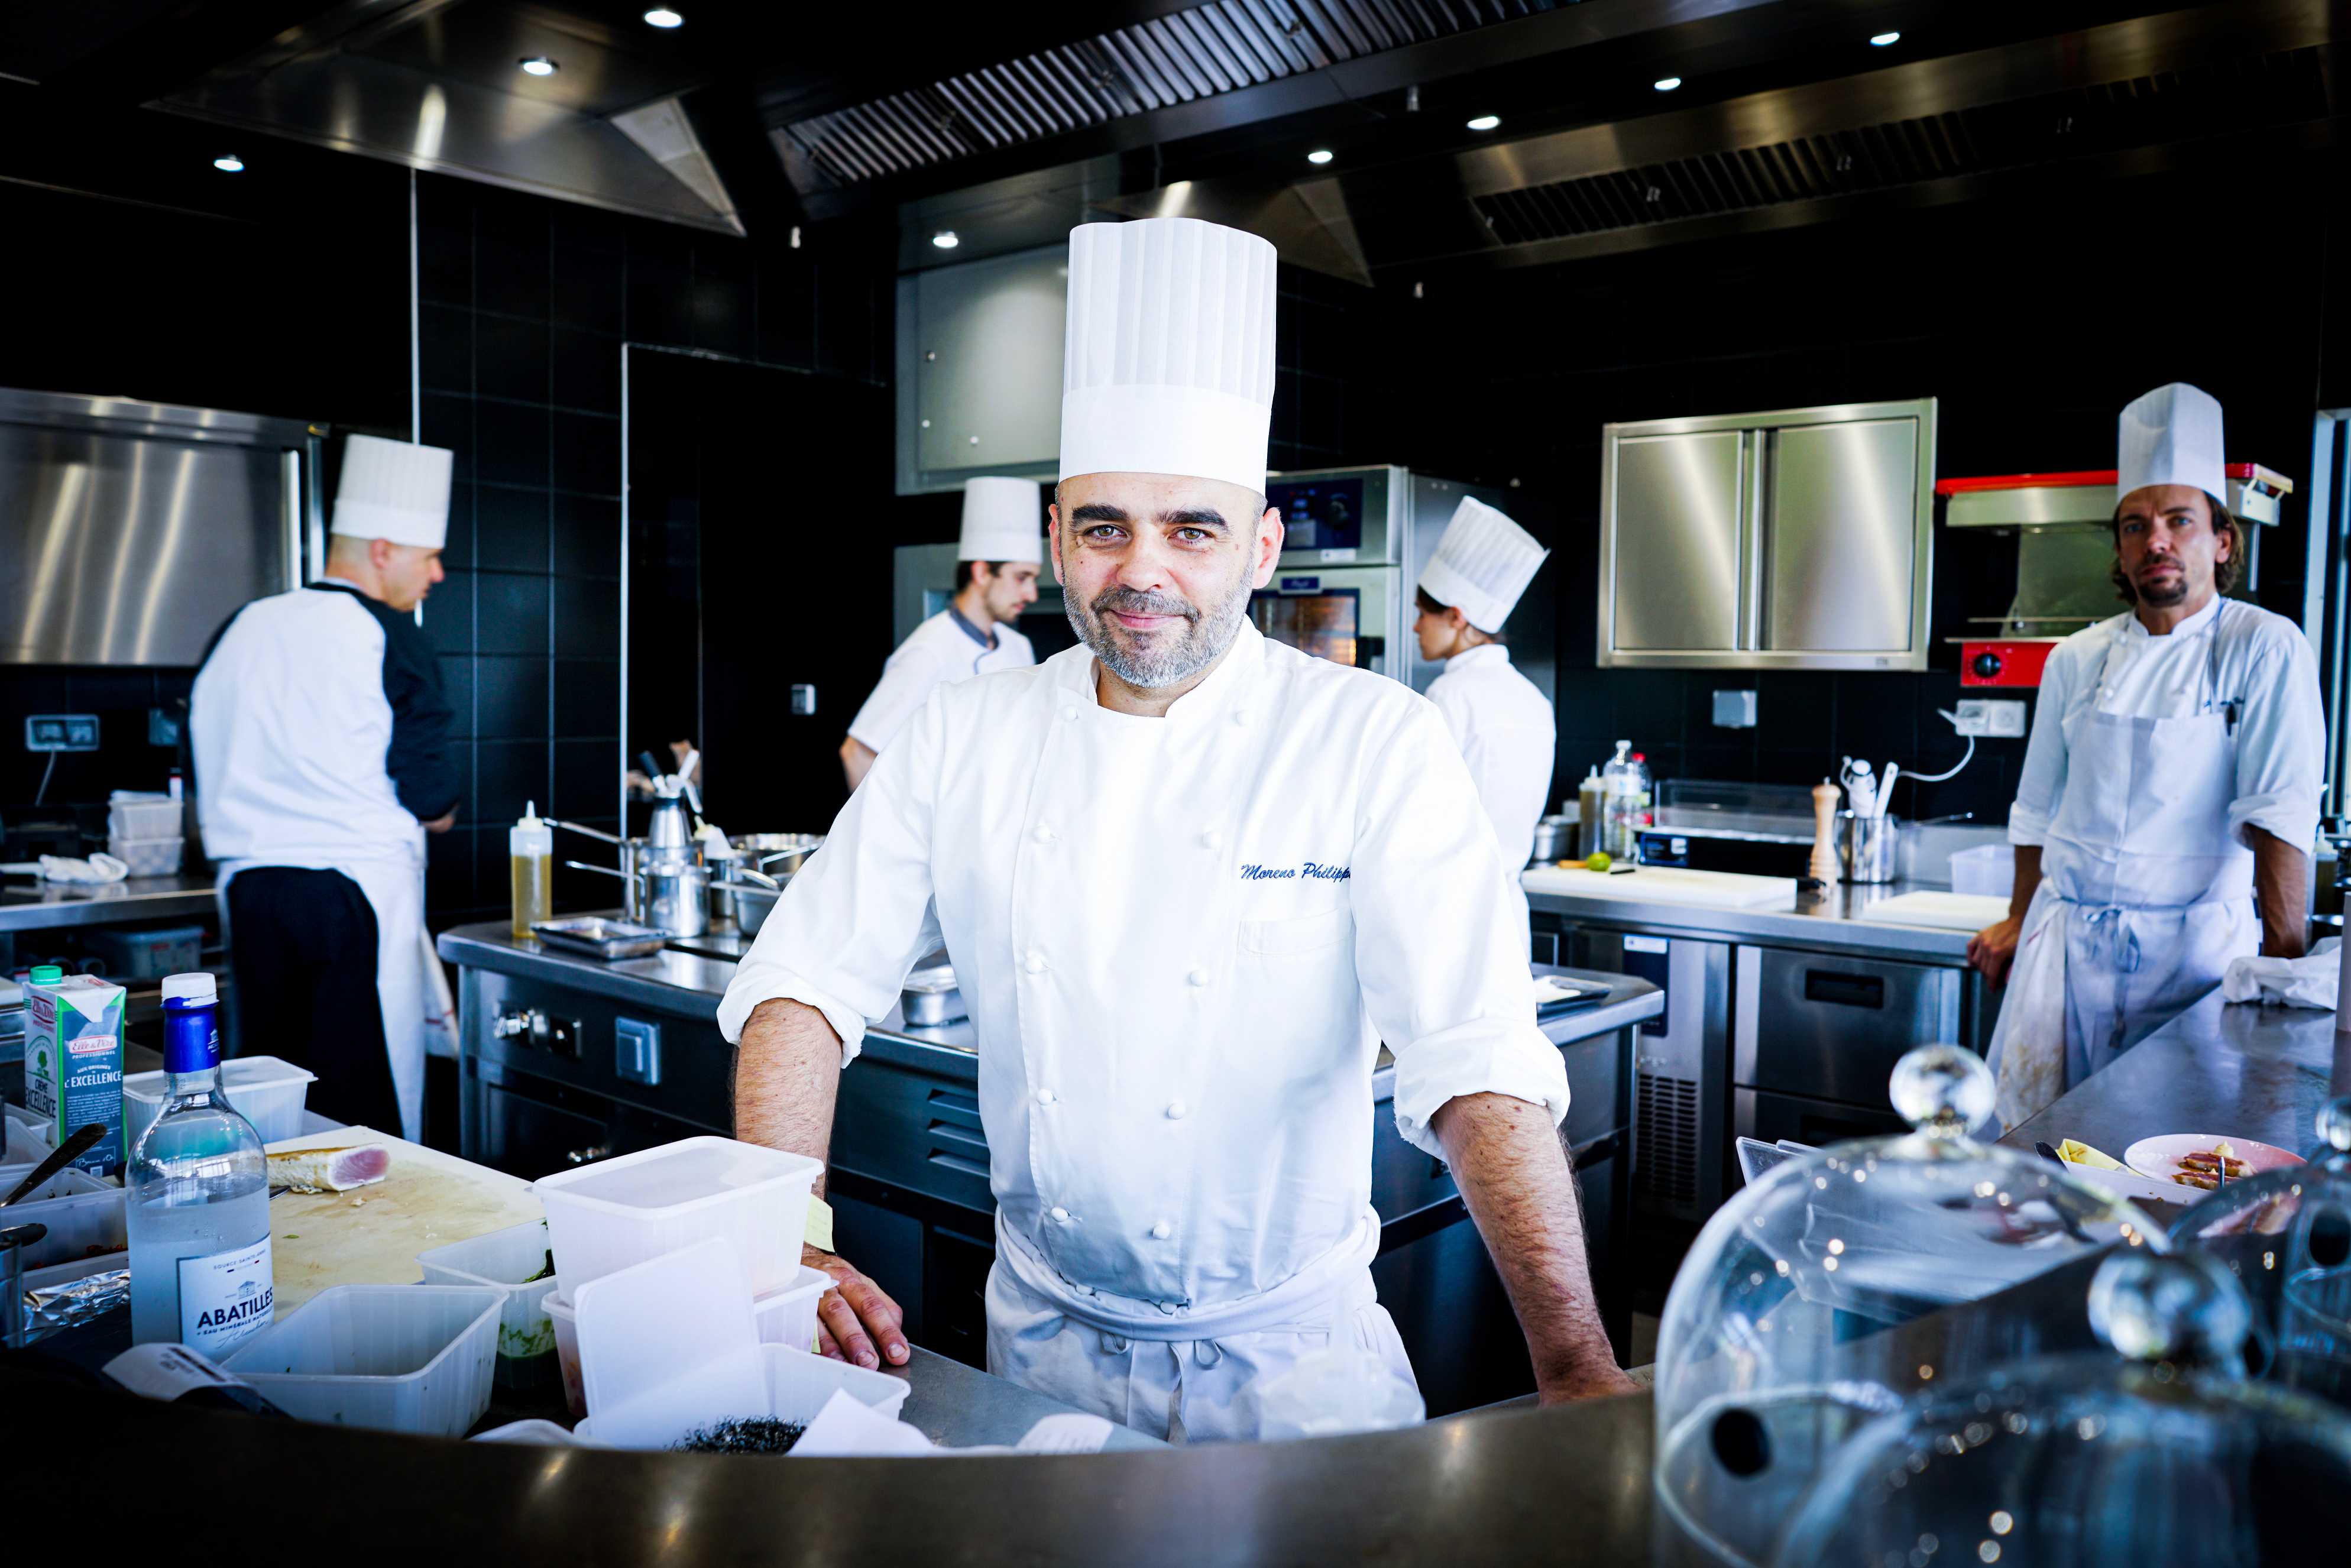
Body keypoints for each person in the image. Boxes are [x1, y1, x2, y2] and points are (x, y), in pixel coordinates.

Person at [722, 216, 1632, 1443]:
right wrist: (786, 1235)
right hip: (1038, 1360)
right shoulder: (962, 732)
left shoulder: (1371, 739)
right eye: (1104, 526)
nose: (1141, 570)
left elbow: (1474, 1055)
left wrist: (1574, 1360)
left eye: (1191, 529)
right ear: (1057, 537)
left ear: (1260, 547)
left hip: (1297, 1377)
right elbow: (801, 982)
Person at [1970, 383, 2323, 1126]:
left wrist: (2281, 983)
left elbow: (2280, 818)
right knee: (2048, 1157)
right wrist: (2016, 916)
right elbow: (2035, 811)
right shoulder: (2077, 657)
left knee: (2177, 1161)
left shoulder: (2263, 645)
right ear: (2121, 550)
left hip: (2195, 966)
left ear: (2221, 541)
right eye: (2135, 526)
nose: (2154, 541)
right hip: (2065, 963)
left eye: (2178, 521)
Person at [192, 435, 460, 1142]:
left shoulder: (243, 626)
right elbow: (431, 796)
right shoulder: (392, 635)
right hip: (352, 899)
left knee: (269, 1094)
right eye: (428, 556)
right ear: (383, 550)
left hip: (252, 894)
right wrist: (441, 810)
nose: (436, 574)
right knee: (363, 1107)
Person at [839, 477, 1043, 791]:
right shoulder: (929, 651)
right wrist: (888, 823)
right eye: (1021, 578)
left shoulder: (1019, 646)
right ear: (982, 573)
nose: (1031, 594)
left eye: (1033, 580)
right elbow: (858, 753)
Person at [1414, 496, 1555, 881]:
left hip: (1455, 896)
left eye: (1423, 614)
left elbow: (1422, 807)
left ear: (1456, 617)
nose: (1416, 627)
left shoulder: (1450, 694)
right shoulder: (1534, 698)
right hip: (1509, 899)